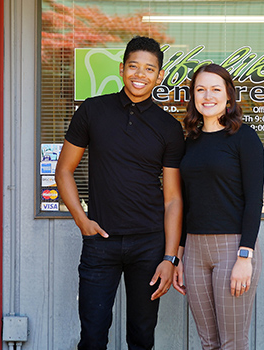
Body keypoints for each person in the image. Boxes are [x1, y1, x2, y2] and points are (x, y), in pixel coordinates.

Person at [55, 36, 185, 350]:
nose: (140, 74)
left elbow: (173, 199)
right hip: (100, 243)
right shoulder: (93, 110)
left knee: (141, 337)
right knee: (93, 335)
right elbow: (63, 171)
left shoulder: (168, 127)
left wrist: (170, 258)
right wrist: (82, 221)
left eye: (149, 69)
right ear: (121, 69)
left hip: (149, 245)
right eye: (133, 66)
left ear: (159, 76)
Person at [173, 63, 264, 350]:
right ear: (193, 97)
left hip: (232, 248)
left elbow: (254, 200)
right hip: (195, 250)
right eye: (200, 89)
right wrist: (178, 254)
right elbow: (187, 202)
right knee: (208, 342)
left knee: (232, 343)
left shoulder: (244, 138)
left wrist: (244, 257)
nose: (207, 95)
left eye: (215, 89)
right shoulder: (190, 141)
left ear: (228, 96)